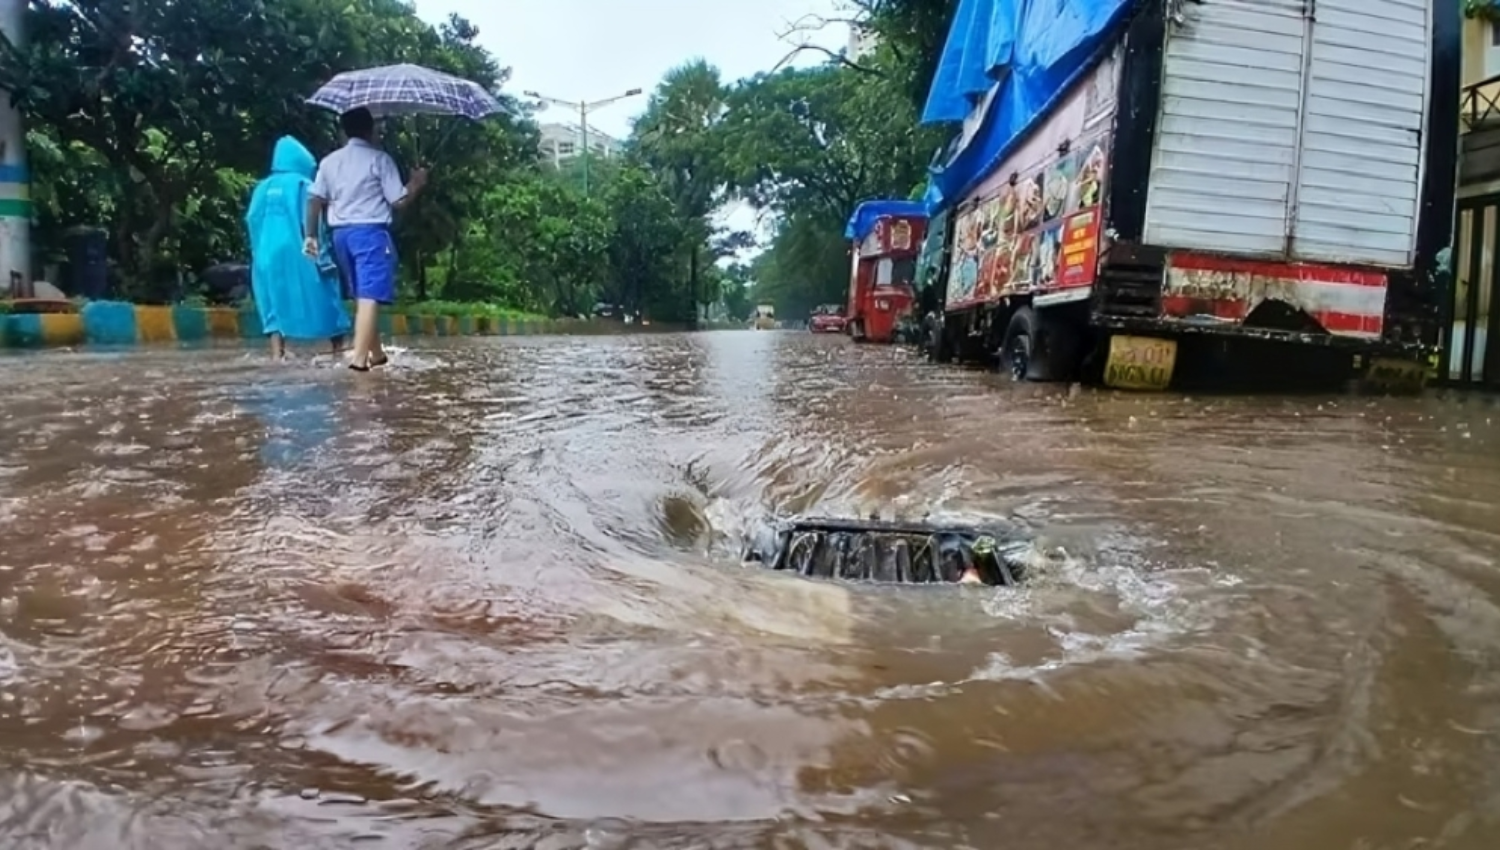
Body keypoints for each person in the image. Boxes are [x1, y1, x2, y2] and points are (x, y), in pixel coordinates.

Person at [304, 106, 428, 371]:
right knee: (370, 295)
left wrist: (311, 235)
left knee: (362, 294)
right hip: (370, 233)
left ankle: (377, 354)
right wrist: (416, 183)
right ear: (370, 129)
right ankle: (359, 362)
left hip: (341, 236)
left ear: (344, 131)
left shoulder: (329, 162)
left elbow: (315, 199)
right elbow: (399, 201)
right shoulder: (379, 159)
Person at [246, 136, 351, 358]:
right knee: (327, 295)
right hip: (300, 252)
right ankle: (337, 351)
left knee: (273, 302)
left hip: (266, 256)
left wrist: (258, 254)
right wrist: (323, 257)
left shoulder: (261, 189)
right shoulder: (304, 185)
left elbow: (252, 221)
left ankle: (277, 355)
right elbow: (313, 223)